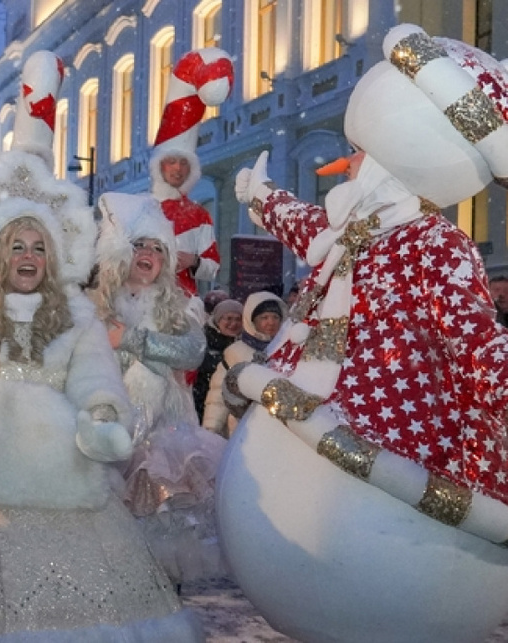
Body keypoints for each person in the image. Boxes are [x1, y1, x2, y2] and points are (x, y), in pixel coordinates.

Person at [220, 24, 508, 642]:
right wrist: (261, 197)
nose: (347, 161)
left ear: (395, 146)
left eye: (358, 149)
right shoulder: (361, 230)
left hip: (398, 421)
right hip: (312, 385)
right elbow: (310, 231)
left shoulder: (435, 241)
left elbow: (475, 340)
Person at [0, 150, 200, 641]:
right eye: (17, 246)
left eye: (39, 247)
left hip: (70, 479)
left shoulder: (78, 316)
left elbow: (96, 381)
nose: (29, 257)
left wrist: (102, 420)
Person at [92, 192, 227, 586]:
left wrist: (134, 340)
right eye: (140, 245)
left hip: (164, 436)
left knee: (160, 518)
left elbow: (191, 352)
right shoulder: (96, 305)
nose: (148, 254)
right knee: (111, 523)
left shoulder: (179, 304)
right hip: (109, 430)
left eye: (158, 247)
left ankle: (163, 598)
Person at [148, 48, 233, 296]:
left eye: (183, 163)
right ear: (160, 166)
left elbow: (213, 266)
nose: (177, 169)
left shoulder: (198, 215)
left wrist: (194, 262)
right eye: (171, 162)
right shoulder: (138, 207)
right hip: (140, 304)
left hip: (183, 306)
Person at [201, 291, 285, 437]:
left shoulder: (288, 350)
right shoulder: (236, 352)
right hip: (242, 431)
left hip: (279, 431)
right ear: (252, 320)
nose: (271, 322)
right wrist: (210, 428)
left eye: (275, 317)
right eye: (264, 317)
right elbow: (218, 393)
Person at [193, 297, 242, 422]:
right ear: (217, 320)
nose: (234, 323)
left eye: (238, 319)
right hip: (204, 407)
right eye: (228, 318)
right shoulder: (203, 341)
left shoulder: (245, 344)